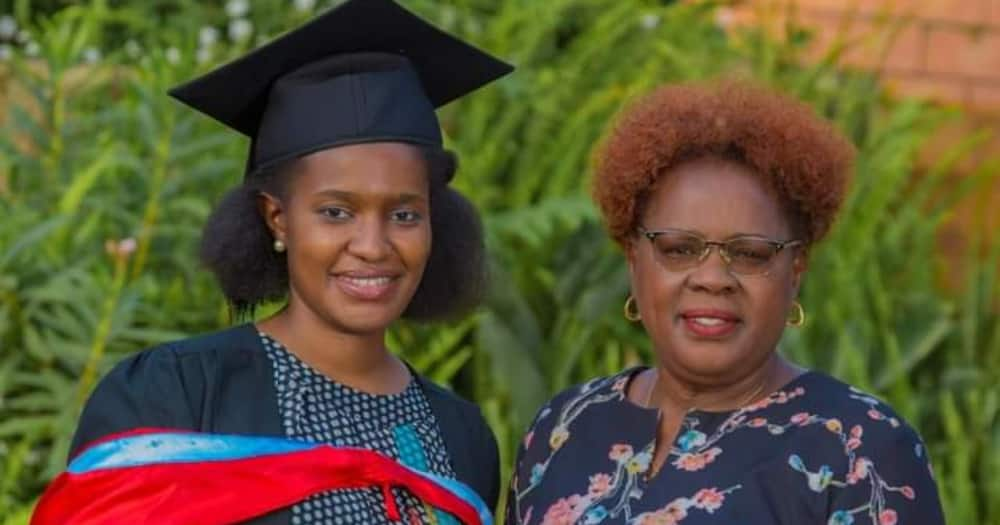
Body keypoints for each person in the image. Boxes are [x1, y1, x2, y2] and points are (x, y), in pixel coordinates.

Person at [56, 1, 512, 524]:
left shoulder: (463, 437)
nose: (372, 244)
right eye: (336, 211)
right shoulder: (176, 399)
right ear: (278, 219)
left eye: (405, 214)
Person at [505, 81, 945, 525]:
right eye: (678, 248)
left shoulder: (860, 450)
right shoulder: (564, 426)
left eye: (751, 253)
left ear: (796, 269)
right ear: (633, 259)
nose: (713, 279)